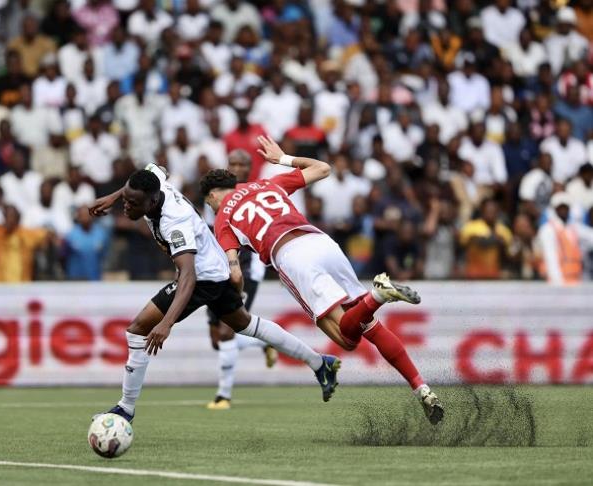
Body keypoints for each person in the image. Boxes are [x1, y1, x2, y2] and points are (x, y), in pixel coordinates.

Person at [200, 136, 443, 424]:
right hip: (323, 243)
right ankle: (422, 388)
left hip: (293, 257)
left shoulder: (222, 219)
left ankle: (377, 296)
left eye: (209, 203)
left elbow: (235, 272)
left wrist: (236, 299)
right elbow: (323, 168)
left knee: (346, 339)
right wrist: (284, 159)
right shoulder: (267, 184)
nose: (212, 207)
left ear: (212, 195)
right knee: (366, 324)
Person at [88, 164, 340, 423]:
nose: (126, 206)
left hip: (202, 278)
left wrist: (166, 323)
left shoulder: (175, 223)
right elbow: (157, 169)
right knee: (246, 324)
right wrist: (114, 197)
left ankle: (126, 408)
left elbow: (188, 276)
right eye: (126, 200)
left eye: (132, 203)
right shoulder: (154, 183)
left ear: (152, 201)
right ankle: (320, 363)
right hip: (217, 267)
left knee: (138, 329)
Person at [204, 150, 276, 410]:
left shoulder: (257, 192)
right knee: (217, 340)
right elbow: (208, 231)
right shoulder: (214, 194)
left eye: (241, 164)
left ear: (250, 167)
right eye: (232, 163)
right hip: (218, 268)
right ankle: (265, 341)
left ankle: (223, 396)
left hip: (247, 268)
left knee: (227, 331)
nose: (236, 168)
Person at [536, 192, 593, 285]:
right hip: (559, 284)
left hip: (576, 282)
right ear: (555, 209)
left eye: (565, 208)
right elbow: (551, 260)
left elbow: (589, 235)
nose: (563, 211)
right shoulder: (548, 230)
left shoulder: (572, 228)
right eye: (560, 208)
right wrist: (558, 283)